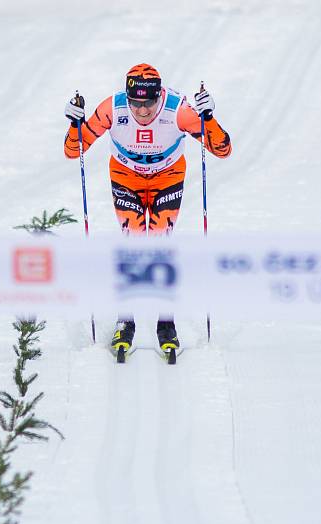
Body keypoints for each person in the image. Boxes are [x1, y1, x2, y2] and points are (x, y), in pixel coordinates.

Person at [63, 63, 231, 360]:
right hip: (126, 175)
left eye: (149, 103)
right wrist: (75, 123)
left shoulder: (178, 110)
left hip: (167, 174)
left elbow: (222, 149)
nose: (142, 111)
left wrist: (208, 117)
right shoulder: (112, 109)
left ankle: (166, 322)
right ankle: (125, 320)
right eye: (135, 103)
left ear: (159, 96)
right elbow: (74, 149)